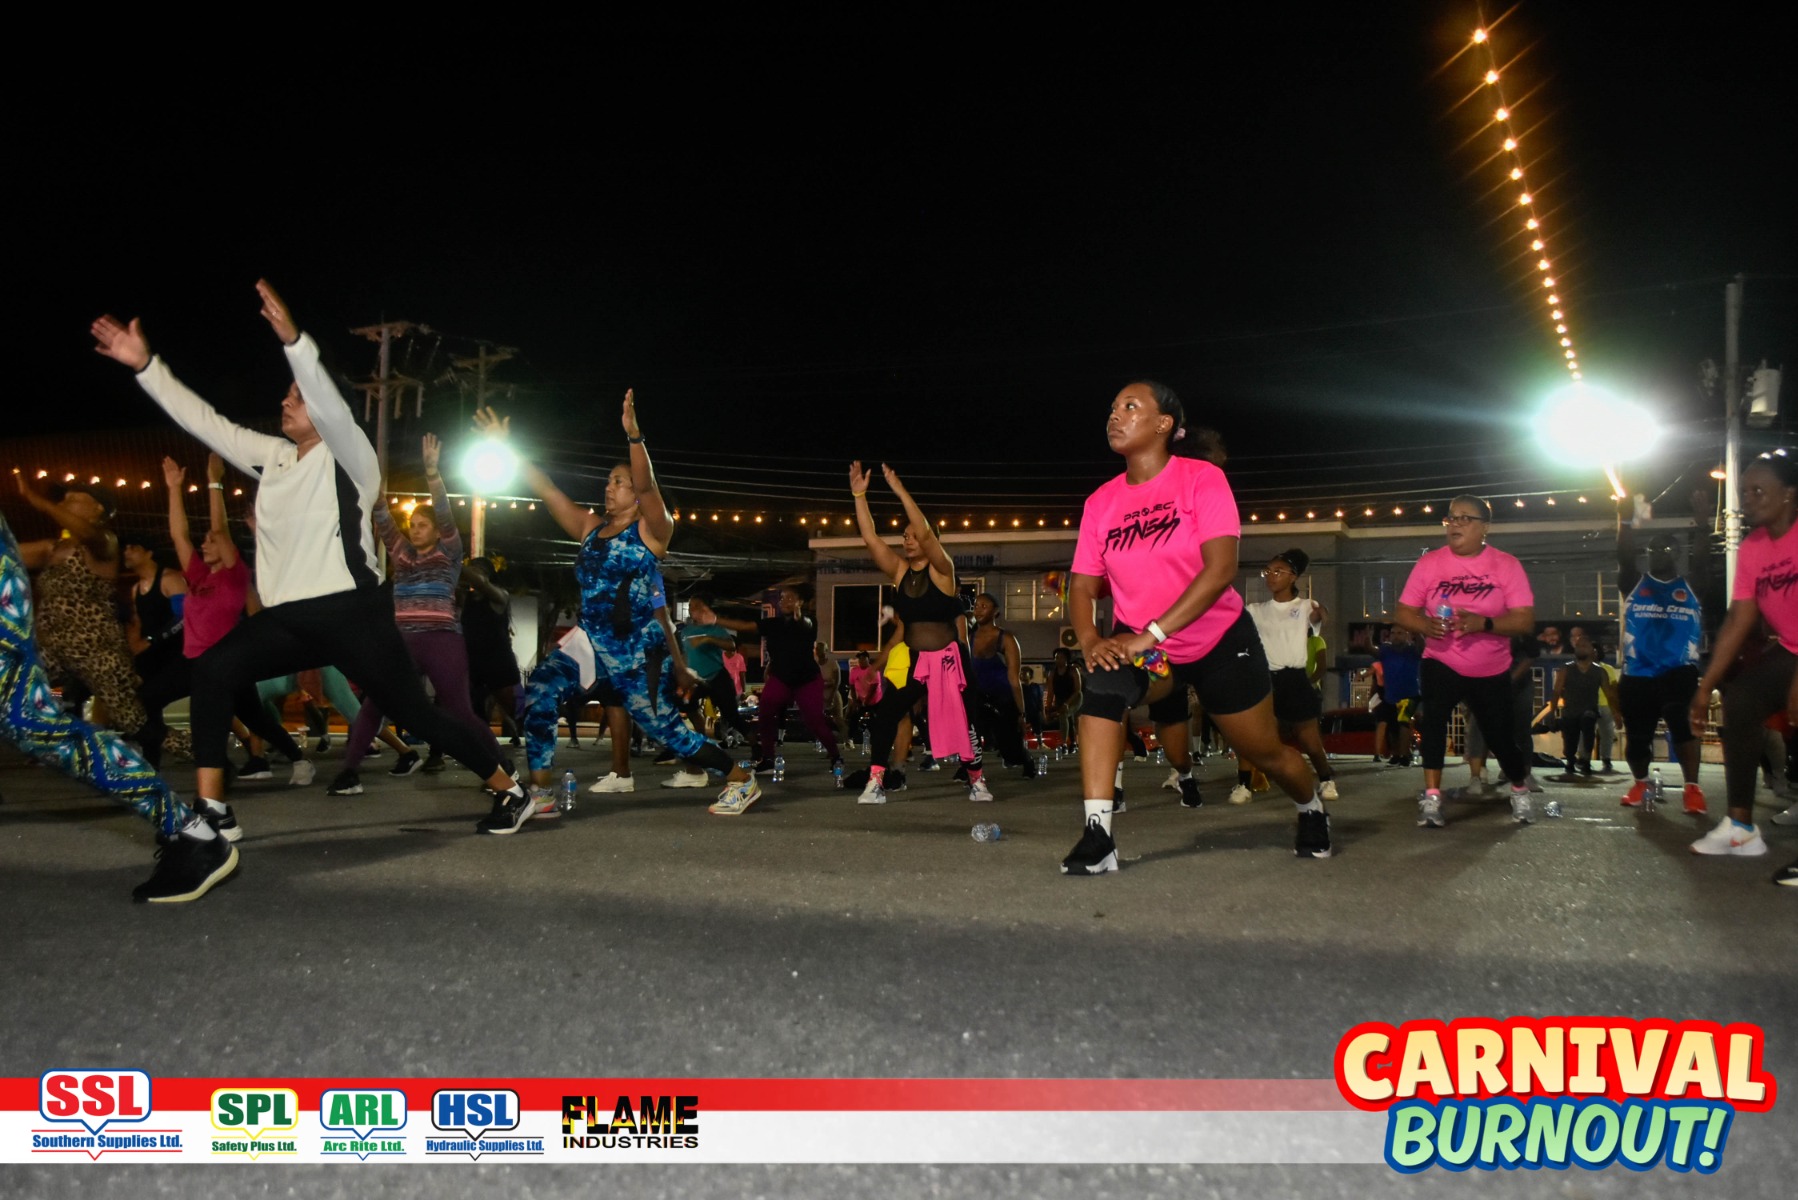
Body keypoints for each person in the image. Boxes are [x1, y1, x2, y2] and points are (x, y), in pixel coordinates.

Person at [90, 281, 529, 839]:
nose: (286, 403)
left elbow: (328, 401)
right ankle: (213, 812)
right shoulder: (274, 458)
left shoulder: (351, 456)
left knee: (417, 715)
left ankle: (510, 790)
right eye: (287, 396)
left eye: (296, 398)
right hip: (289, 618)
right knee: (213, 670)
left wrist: (295, 343)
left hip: (352, 613)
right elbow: (207, 423)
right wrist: (145, 366)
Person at [1062, 381, 1330, 873]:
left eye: (1130, 407)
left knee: (1264, 751)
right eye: (1113, 408)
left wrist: (1152, 633)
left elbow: (1220, 569)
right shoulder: (1101, 502)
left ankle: (1310, 806)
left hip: (1219, 643)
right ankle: (1098, 836)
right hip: (1149, 649)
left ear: (1164, 424)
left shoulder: (1201, 479)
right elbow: (1081, 586)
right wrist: (1090, 639)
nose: (1115, 416)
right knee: (1102, 687)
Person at [475, 396, 758, 816]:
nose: (609, 487)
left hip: (634, 651)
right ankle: (541, 791)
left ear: (636, 497)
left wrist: (634, 438)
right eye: (608, 481)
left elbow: (647, 487)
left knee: (667, 731)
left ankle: (740, 779)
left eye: (618, 481)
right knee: (542, 690)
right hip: (589, 643)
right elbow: (549, 491)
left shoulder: (652, 531)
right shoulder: (590, 528)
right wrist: (509, 449)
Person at [1, 512, 236, 902]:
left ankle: (201, 783)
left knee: (113, 722)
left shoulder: (103, 545)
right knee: (61, 718)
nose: (128, 553)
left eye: (76, 501)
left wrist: (35, 499)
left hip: (105, 656)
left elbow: (180, 618)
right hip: (63, 651)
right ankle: (196, 802)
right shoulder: (86, 562)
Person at [326, 435, 507, 795]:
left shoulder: (449, 551)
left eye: (422, 524)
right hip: (403, 641)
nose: (415, 528)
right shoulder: (402, 553)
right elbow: (382, 517)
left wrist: (432, 474)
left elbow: (445, 515)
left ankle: (503, 769)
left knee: (459, 710)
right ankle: (349, 772)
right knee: (375, 703)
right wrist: (371, 485)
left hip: (441, 641)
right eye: (413, 523)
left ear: (437, 531)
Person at [135, 453, 313, 791]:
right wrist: (173, 488)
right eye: (204, 541)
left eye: (210, 541)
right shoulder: (198, 575)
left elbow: (219, 530)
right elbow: (179, 536)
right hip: (192, 661)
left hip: (227, 661)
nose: (205, 543)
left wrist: (214, 482)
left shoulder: (234, 576)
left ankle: (297, 758)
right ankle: (150, 769)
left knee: (254, 717)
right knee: (146, 699)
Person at [848, 462, 989, 804]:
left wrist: (899, 490)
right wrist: (859, 496)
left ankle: (977, 780)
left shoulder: (943, 570)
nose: (907, 539)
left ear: (931, 541)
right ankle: (876, 782)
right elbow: (870, 539)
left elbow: (925, 533)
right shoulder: (900, 572)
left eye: (912, 535)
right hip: (914, 660)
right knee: (886, 715)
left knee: (966, 722)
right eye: (904, 536)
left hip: (949, 660)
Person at [1394, 494, 1537, 829]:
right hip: (1440, 659)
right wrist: (1424, 625)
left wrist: (1483, 623)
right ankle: (1432, 797)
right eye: (1451, 517)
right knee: (1433, 723)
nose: (1455, 524)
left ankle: (1519, 788)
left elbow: (1524, 621)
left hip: (1490, 668)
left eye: (1464, 518)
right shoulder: (1430, 564)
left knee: (1500, 736)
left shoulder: (1506, 565)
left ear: (1484, 527)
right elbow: (1403, 612)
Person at [1686, 449, 1796, 863]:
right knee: (1742, 700)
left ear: (1788, 494)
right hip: (1791, 649)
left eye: (1757, 491)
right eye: (1743, 492)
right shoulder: (1753, 548)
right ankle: (1741, 828)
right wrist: (1706, 686)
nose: (1747, 499)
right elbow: (1738, 620)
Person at [10, 475, 150, 744]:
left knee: (133, 723)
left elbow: (87, 534)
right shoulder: (52, 548)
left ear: (98, 509)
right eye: (63, 499)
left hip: (96, 652)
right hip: (53, 651)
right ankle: (62, 725)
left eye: (74, 499)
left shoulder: (105, 541)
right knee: (33, 686)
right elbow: (8, 555)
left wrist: (41, 503)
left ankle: (202, 752)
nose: (64, 503)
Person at [1614, 500, 1706, 813]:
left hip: (1678, 670)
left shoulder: (1691, 586)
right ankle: (1640, 783)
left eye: (1666, 549)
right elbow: (1624, 557)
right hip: (1638, 672)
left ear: (1678, 554)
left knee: (1682, 725)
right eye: (1653, 549)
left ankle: (1692, 789)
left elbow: (1702, 563)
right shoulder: (1633, 583)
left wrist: (1702, 525)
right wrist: (1625, 521)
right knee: (1637, 737)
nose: (1659, 553)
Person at [709, 585, 843, 778]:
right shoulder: (773, 624)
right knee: (765, 712)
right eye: (782, 598)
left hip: (807, 679)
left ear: (800, 602)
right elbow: (746, 626)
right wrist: (715, 620)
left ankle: (836, 756)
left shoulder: (809, 621)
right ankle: (768, 760)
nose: (784, 601)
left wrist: (799, 617)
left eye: (790, 598)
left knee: (814, 720)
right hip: (781, 678)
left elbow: (805, 624)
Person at [1246, 549, 1338, 800]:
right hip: (1267, 681)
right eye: (1268, 571)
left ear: (1293, 577)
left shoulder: (1306, 606)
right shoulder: (1255, 609)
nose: (1270, 576)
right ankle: (1246, 783)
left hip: (1295, 679)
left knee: (1310, 742)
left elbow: (1321, 616)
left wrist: (1321, 613)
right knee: (1259, 738)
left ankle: (1326, 779)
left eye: (1278, 571)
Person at [968, 592, 1034, 779]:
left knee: (1009, 750)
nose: (978, 610)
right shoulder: (968, 637)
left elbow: (1014, 678)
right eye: (976, 605)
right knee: (970, 735)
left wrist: (1021, 713)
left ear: (995, 611)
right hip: (977, 696)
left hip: (1002, 697)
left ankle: (1026, 760)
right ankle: (970, 771)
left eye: (984, 606)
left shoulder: (1006, 638)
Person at [460, 557, 522, 749]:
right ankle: (481, 743)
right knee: (474, 705)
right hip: (473, 661)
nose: (472, 574)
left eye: (476, 570)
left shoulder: (499, 595)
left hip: (498, 661)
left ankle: (523, 732)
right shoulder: (466, 598)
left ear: (487, 574)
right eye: (471, 570)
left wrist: (456, 563)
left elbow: (482, 583)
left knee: (510, 707)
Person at [1541, 631, 1619, 781]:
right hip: (1570, 712)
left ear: (1591, 650)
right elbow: (1556, 692)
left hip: (1589, 710)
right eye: (1578, 646)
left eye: (1584, 646)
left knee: (1588, 725)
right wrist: (1552, 712)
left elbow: (1609, 694)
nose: (1581, 648)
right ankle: (1570, 760)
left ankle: (1586, 760)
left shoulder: (1600, 671)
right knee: (1570, 741)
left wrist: (1616, 713)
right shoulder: (1566, 669)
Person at [1372, 628, 1421, 767]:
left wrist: (1417, 631)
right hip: (1390, 696)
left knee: (1403, 722)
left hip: (1409, 694)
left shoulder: (1412, 649)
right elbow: (1371, 650)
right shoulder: (1386, 650)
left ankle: (1404, 756)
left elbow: (1422, 647)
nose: (1395, 636)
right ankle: (1396, 754)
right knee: (1393, 727)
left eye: (1399, 633)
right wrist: (1368, 638)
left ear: (1407, 635)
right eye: (1393, 633)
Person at [1045, 648, 1082, 750]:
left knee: (1064, 713)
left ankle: (1064, 742)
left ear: (1066, 659)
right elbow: (1050, 693)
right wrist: (1048, 708)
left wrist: (1067, 703)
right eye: (1056, 658)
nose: (1058, 660)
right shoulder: (1052, 673)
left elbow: (1078, 690)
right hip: (1060, 699)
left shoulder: (1073, 671)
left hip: (1075, 698)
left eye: (1061, 657)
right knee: (1067, 718)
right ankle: (1073, 743)